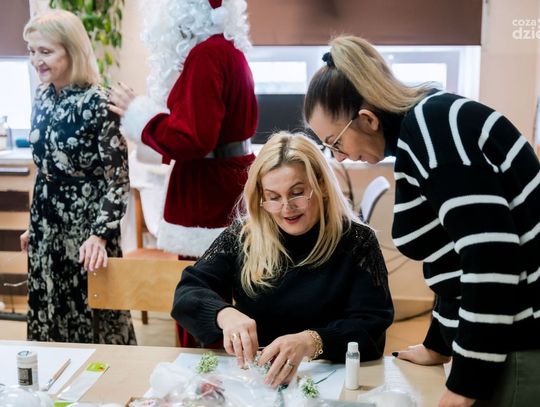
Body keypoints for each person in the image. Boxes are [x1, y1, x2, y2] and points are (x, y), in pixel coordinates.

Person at [304, 35, 540, 407]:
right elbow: (451, 257)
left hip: (522, 338)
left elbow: (489, 258)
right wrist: (439, 345)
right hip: (507, 332)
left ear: (367, 119)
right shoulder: (425, 129)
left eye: (336, 143)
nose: (340, 158)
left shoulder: (434, 129)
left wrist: (466, 384)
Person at [171, 132, 394, 387]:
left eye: (297, 193)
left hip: (327, 379)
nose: (287, 208)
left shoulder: (357, 241)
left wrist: (311, 341)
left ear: (321, 186)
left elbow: (371, 325)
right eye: (274, 197)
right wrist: (224, 314)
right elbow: (188, 292)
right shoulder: (243, 236)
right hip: (256, 381)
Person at [108, 0, 257, 260]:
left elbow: (192, 138)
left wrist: (139, 116)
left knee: (204, 282)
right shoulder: (230, 51)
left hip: (208, 195)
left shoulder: (206, 55)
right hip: (229, 184)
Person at [20, 10, 136, 344]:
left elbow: (118, 181)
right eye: (31, 51)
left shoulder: (99, 102)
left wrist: (100, 235)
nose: (36, 60)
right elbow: (46, 169)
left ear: (71, 51)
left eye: (45, 51)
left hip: (88, 232)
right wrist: (35, 223)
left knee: (94, 318)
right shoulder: (42, 96)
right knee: (50, 310)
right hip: (46, 226)